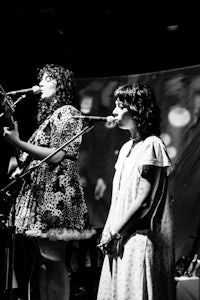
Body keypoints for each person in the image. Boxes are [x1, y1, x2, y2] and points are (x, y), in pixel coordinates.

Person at [3, 64, 95, 300]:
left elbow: (56, 155)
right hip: (42, 194)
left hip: (55, 196)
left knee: (53, 261)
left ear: (60, 84)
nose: (41, 83)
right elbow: (28, 155)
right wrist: (12, 122)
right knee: (43, 263)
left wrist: (18, 142)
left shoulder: (68, 112)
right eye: (40, 78)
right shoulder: (50, 117)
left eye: (47, 78)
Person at [97, 83, 175, 300]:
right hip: (120, 235)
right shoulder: (126, 148)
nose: (114, 111)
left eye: (120, 106)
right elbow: (120, 196)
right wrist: (109, 231)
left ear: (137, 110)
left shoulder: (152, 145)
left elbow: (143, 201)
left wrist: (115, 233)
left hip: (138, 237)